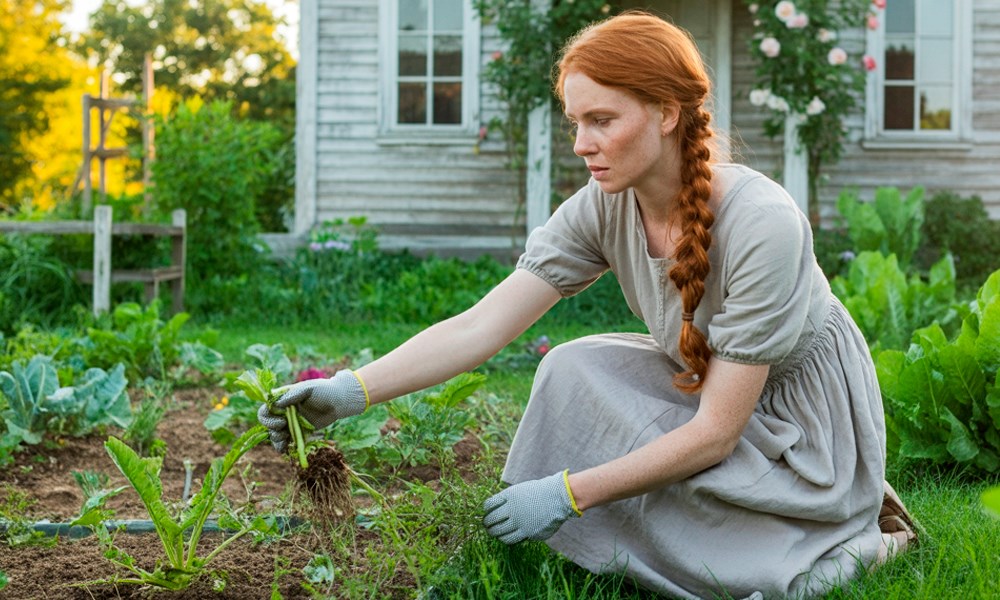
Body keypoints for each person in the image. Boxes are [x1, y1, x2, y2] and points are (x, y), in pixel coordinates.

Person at [258, 11, 918, 599]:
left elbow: (717, 432)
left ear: (666, 113)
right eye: (576, 122)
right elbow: (481, 325)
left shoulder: (762, 221)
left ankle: (844, 543)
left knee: (742, 564)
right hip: (706, 387)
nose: (581, 144)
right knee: (570, 367)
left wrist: (570, 493)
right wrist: (350, 391)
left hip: (797, 426)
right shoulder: (604, 205)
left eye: (602, 120)